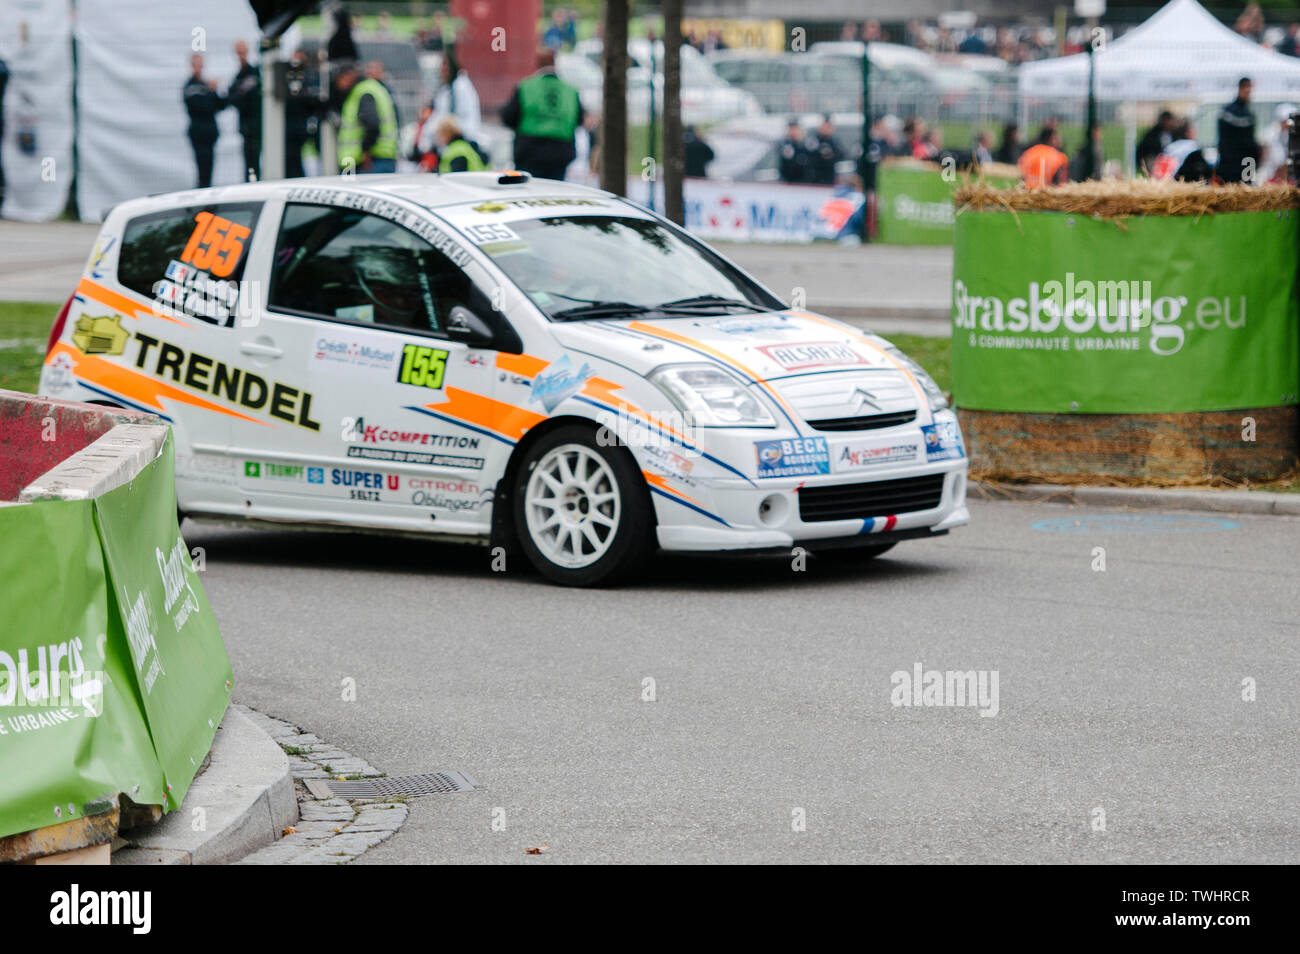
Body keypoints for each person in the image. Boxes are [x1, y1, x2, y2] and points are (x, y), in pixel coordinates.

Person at [501, 49, 583, 180]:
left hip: (530, 150)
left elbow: (509, 117)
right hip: (560, 152)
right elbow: (579, 119)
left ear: (537, 64)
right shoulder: (571, 91)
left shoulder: (525, 86)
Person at [416, 46, 481, 160]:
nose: (443, 70)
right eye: (442, 66)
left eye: (446, 66)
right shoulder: (445, 91)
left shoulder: (460, 87)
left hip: (460, 142)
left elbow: (452, 119)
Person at [337, 61, 398, 173]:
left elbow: (372, 125)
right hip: (382, 157)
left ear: (348, 75)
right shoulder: (377, 89)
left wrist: (365, 151)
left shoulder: (363, 91)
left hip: (367, 161)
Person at [183, 54, 226, 188]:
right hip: (199, 132)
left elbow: (221, 105)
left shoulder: (205, 86)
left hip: (209, 132)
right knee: (202, 166)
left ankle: (207, 190)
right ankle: (202, 192)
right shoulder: (190, 86)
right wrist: (211, 93)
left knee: (209, 166)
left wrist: (215, 91)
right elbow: (202, 107)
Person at [227, 39, 261, 181]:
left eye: (243, 51)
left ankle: (255, 182)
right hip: (247, 128)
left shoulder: (255, 73)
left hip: (258, 125)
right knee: (250, 163)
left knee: (256, 160)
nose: (241, 54)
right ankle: (252, 183)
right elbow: (232, 98)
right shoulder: (238, 77)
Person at [1217, 77, 1259, 184]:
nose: (1248, 92)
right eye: (1246, 88)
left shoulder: (1247, 112)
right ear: (1241, 88)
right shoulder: (1231, 112)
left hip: (1244, 162)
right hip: (1232, 164)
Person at [808, 115, 845, 185]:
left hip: (831, 179)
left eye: (828, 126)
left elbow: (842, 156)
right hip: (816, 180)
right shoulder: (814, 141)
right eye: (824, 126)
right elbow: (810, 159)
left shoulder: (834, 142)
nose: (826, 128)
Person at [1136, 110, 1175, 174]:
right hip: (1154, 159)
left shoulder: (1173, 133)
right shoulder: (1152, 134)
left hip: (1169, 159)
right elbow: (1146, 150)